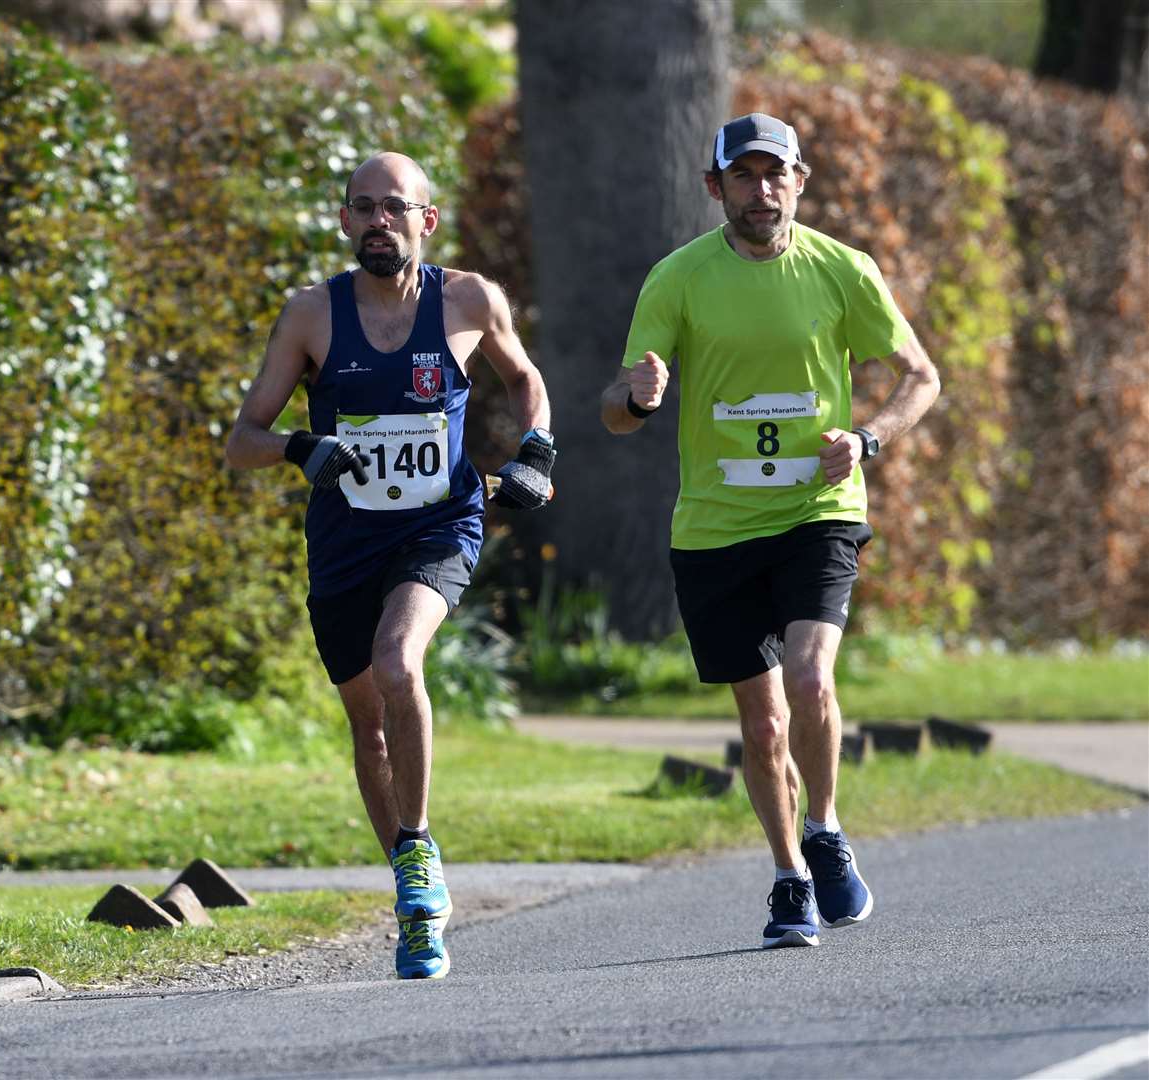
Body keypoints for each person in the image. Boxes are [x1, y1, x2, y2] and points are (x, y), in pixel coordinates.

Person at [600, 113, 940, 948]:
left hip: (816, 511)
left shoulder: (840, 269)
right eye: (743, 177)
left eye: (775, 174)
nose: (762, 191)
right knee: (761, 726)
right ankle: (787, 875)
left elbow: (920, 378)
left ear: (800, 179)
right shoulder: (676, 279)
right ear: (714, 187)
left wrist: (864, 440)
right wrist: (639, 396)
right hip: (714, 528)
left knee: (810, 678)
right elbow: (615, 415)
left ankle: (823, 829)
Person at [225, 151, 554, 979]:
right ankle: (415, 905)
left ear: (425, 220)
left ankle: (415, 856)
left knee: (396, 660)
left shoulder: (469, 299)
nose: (379, 221)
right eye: (363, 208)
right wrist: (302, 448)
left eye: (395, 208)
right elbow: (242, 441)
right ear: (344, 222)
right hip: (343, 543)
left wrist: (536, 453)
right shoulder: (310, 315)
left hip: (439, 524)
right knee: (365, 725)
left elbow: (525, 381)